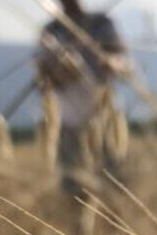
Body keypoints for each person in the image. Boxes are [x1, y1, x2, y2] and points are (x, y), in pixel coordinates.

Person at [35, 0, 128, 198]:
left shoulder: (100, 24)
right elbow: (43, 75)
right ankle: (79, 225)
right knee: (74, 185)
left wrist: (109, 62)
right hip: (68, 118)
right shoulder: (51, 31)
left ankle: (113, 222)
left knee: (112, 180)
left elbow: (120, 59)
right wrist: (61, 69)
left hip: (103, 114)